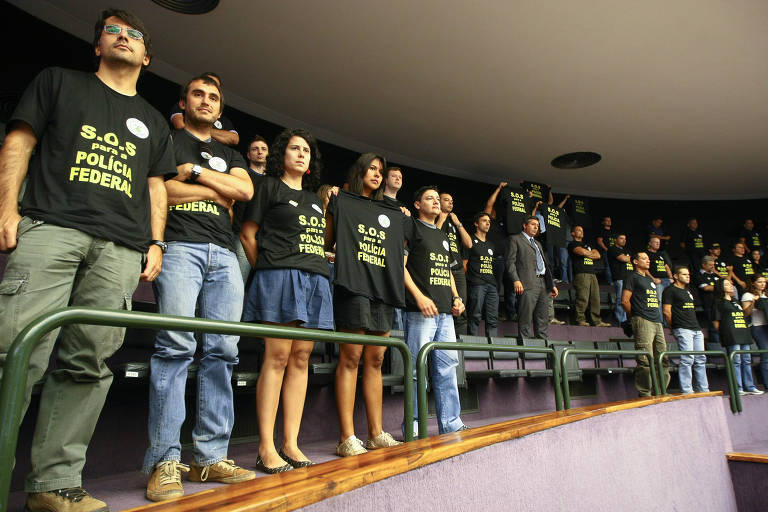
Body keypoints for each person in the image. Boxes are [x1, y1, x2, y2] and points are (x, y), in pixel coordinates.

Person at [0, 9, 175, 511]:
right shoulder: (58, 82)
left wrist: (156, 242)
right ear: (97, 46)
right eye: (112, 31)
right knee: (14, 350)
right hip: (50, 227)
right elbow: (20, 141)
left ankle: (53, 485)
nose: (123, 37)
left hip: (120, 248)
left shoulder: (154, 120)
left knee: (89, 363)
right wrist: (7, 209)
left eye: (134, 34)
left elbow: (155, 186)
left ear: (146, 55)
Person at [142, 75, 255, 501]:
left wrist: (197, 174)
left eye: (213, 98)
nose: (206, 102)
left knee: (224, 351)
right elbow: (163, 189)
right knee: (175, 346)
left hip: (225, 255)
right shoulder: (170, 140)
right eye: (198, 95)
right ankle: (165, 460)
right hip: (179, 248)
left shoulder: (230, 152)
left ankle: (209, 457)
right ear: (183, 102)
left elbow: (243, 189)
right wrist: (209, 189)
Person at [241, 128, 332, 472]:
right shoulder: (268, 187)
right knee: (277, 357)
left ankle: (291, 443)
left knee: (301, 358)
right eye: (295, 148)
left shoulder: (314, 199)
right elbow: (248, 234)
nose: (301, 154)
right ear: (283, 154)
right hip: (279, 276)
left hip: (314, 278)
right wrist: (266, 271)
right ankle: (266, 447)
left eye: (306, 150)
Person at [325, 153, 404, 456]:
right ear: (360, 171)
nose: (377, 174)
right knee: (350, 359)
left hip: (382, 290)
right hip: (353, 287)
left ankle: (376, 433)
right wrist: (332, 207)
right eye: (372, 168)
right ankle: (347, 437)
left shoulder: (392, 210)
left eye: (381, 171)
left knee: (375, 361)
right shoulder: (342, 200)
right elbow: (328, 241)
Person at [403, 186, 468, 434]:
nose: (435, 202)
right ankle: (416, 426)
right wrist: (419, 297)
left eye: (436, 199)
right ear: (417, 204)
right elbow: (400, 265)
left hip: (445, 313)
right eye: (429, 198)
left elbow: (449, 271)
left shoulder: (442, 235)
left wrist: (456, 297)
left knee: (447, 368)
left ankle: (451, 424)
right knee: (417, 370)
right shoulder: (411, 226)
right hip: (420, 311)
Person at [621, 252, 671, 397]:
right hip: (643, 320)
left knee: (663, 357)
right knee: (645, 359)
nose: (648, 261)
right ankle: (645, 393)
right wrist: (635, 317)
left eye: (648, 259)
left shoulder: (649, 280)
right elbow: (625, 301)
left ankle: (661, 391)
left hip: (657, 321)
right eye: (644, 258)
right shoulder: (632, 277)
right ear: (635, 262)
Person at [506, 216, 559, 340]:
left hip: (543, 283)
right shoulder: (515, 239)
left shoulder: (537, 243)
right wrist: (516, 279)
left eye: (538, 225)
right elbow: (510, 262)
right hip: (527, 282)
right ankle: (526, 349)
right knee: (525, 317)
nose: (536, 227)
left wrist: (551, 285)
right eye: (533, 224)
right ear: (525, 225)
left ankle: (543, 349)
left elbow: (545, 265)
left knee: (543, 318)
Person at [662, 266, 709, 394]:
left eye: (688, 274)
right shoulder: (670, 290)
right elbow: (666, 312)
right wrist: (674, 327)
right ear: (676, 276)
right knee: (688, 359)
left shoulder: (688, 291)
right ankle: (687, 390)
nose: (688, 276)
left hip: (696, 328)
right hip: (683, 328)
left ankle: (703, 389)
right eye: (684, 274)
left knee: (700, 359)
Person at [713, 279, 763, 395]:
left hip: (743, 333)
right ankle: (738, 387)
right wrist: (723, 334)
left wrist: (752, 304)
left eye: (730, 284)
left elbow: (745, 314)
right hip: (731, 334)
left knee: (746, 360)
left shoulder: (735, 301)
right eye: (726, 284)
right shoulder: (718, 302)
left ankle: (750, 386)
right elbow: (716, 321)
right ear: (720, 287)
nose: (730, 286)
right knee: (736, 361)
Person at [232, 135, 269, 281]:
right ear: (248, 155)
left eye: (263, 149)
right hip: (241, 235)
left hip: (266, 240)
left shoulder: (274, 181)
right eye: (255, 149)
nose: (260, 152)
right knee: (238, 282)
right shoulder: (242, 175)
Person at [169, 71, 239, 146]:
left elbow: (234, 139)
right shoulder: (186, 105)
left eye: (215, 84)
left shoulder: (224, 120)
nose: (205, 102)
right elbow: (180, 126)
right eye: (198, 95)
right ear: (183, 104)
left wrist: (204, 131)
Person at [436, 192, 472, 335]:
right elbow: (432, 237)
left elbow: (469, 244)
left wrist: (458, 224)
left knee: (461, 308)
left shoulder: (454, 222)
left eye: (452, 201)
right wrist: (441, 219)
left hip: (457, 271)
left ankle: (459, 346)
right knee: (444, 308)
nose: (451, 203)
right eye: (446, 200)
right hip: (441, 269)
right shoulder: (434, 217)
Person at [466, 212, 499, 337]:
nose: (487, 223)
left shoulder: (491, 245)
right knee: (475, 315)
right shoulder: (470, 240)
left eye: (489, 221)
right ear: (476, 223)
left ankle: (493, 350)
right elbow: (464, 264)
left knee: (493, 318)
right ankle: (473, 345)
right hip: (477, 283)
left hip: (491, 285)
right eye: (484, 220)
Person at [569, 226, 609, 327]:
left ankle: (596, 321)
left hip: (592, 273)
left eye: (582, 230)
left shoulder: (587, 244)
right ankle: (580, 319)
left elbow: (598, 255)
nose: (581, 232)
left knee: (595, 298)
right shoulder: (572, 244)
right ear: (573, 233)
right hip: (581, 273)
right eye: (578, 230)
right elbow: (581, 251)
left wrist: (588, 253)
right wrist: (589, 254)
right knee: (583, 297)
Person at [741, 275, 768, 390]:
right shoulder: (748, 295)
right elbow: (745, 314)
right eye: (759, 282)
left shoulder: (766, 294)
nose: (763, 284)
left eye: (764, 282)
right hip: (757, 326)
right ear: (753, 283)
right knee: (766, 355)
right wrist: (753, 303)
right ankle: (767, 383)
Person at [608, 233, 633, 329]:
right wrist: (632, 259)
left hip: (630, 278)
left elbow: (632, 260)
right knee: (621, 300)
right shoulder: (612, 249)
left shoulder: (627, 250)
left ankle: (628, 320)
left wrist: (630, 259)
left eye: (625, 238)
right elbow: (622, 258)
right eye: (621, 238)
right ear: (615, 240)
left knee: (629, 300)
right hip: (620, 278)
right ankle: (621, 321)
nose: (624, 240)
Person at [694, 255, 721, 343]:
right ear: (703, 265)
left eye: (713, 265)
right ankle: (716, 348)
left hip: (720, 303)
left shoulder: (715, 274)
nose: (712, 267)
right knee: (713, 327)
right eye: (710, 265)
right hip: (709, 304)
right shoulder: (699, 275)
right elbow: (706, 288)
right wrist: (720, 287)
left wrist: (717, 273)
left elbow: (726, 283)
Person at [647, 235, 673, 323]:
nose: (658, 244)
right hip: (658, 281)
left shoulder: (661, 254)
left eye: (659, 242)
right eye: (656, 242)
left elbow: (666, 267)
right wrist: (653, 278)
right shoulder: (647, 254)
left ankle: (668, 322)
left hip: (667, 280)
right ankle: (660, 322)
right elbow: (644, 268)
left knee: (668, 301)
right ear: (650, 243)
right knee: (658, 301)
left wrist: (671, 278)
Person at [597, 216, 616, 284]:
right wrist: (606, 249)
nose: (609, 221)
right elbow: (599, 241)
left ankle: (615, 280)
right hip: (606, 252)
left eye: (610, 220)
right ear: (603, 222)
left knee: (614, 266)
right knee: (608, 266)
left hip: (613, 252)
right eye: (607, 220)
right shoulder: (602, 231)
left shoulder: (612, 231)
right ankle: (610, 282)